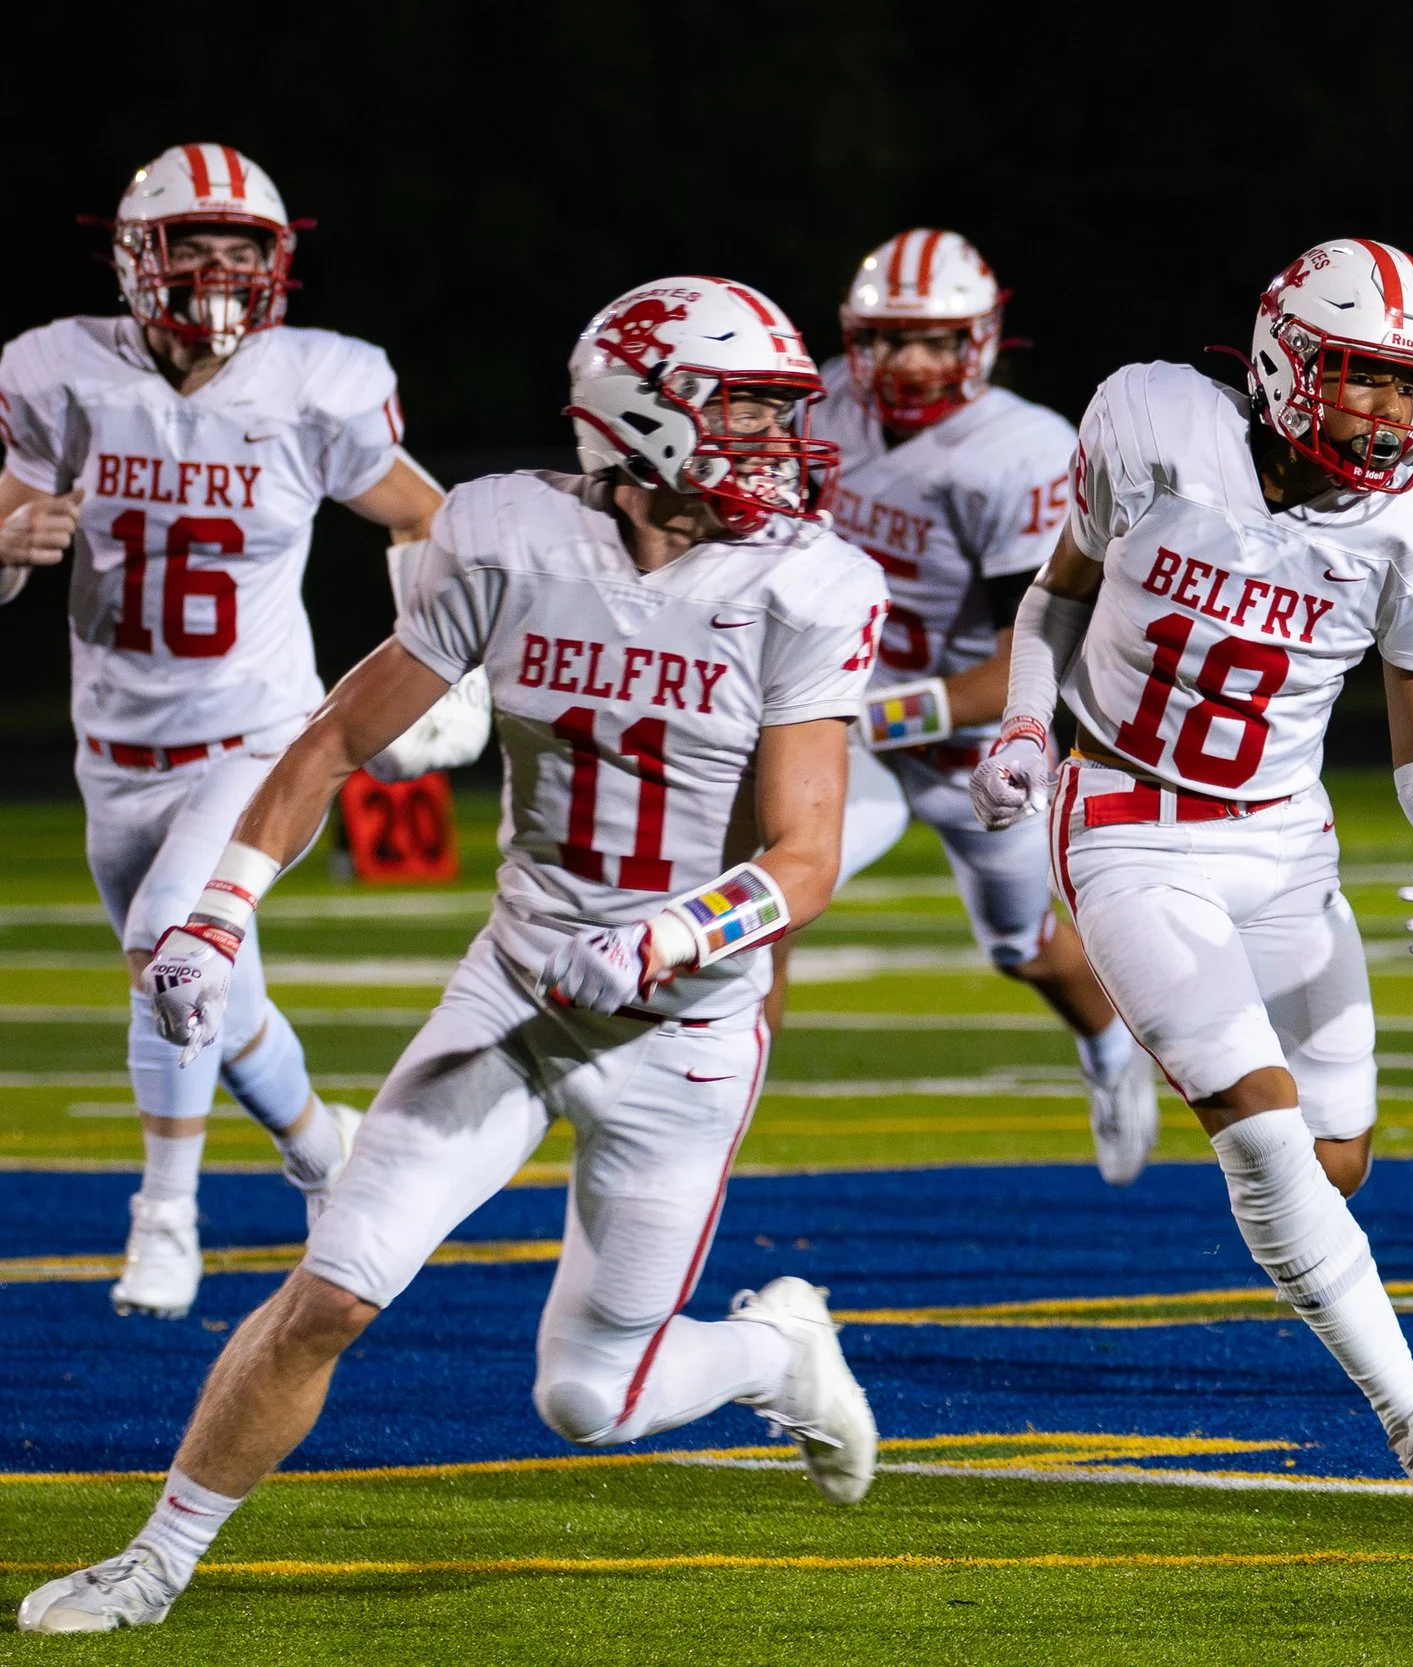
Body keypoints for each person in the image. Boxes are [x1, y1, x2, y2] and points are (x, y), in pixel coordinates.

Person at [18, 277, 889, 1632]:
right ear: (640, 413)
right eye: (743, 410)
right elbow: (332, 740)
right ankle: (156, 1560)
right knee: (330, 1291)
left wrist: (666, 934)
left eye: (781, 413)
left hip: (683, 1031)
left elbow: (806, 855)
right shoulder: (503, 532)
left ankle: (778, 1346)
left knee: (588, 1396)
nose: (776, 442)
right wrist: (217, 911)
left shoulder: (809, 582)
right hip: (516, 993)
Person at [970, 239, 1413, 1546]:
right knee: (1262, 1138)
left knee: (1333, 1160)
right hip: (1129, 824)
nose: (1390, 412)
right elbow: (1054, 598)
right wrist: (1028, 723)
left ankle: (1347, 1300)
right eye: (1365, 376)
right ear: (1284, 361)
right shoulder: (1154, 421)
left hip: (1286, 841)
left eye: (1412, 386)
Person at [0, 145, 442, 1320]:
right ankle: (323, 1151)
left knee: (169, 949)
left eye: (239, 250)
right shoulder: (60, 372)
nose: (215, 271)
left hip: (258, 740)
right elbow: (5, 539)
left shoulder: (316, 384)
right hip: (114, 753)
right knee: (216, 1002)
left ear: (277, 263)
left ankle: (166, 1215)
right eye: (189, 246)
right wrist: (5, 544)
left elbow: (427, 521)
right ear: (134, 258)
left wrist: (431, 673)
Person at [771, 227, 1158, 1183]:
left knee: (1023, 949)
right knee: (771, 886)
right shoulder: (822, 405)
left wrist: (861, 714)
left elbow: (1025, 656)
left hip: (980, 748)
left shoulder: (1019, 454)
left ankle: (1110, 1051)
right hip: (848, 722)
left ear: (980, 340)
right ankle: (714, 1097)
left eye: (935, 340)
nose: (909, 363)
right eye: (889, 339)